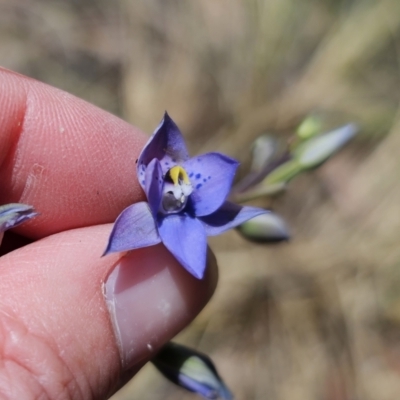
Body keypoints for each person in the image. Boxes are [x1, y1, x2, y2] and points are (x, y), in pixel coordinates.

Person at [0, 68, 217, 399]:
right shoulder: (141, 216)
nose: (178, 188)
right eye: (171, 180)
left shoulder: (167, 218)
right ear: (152, 172)